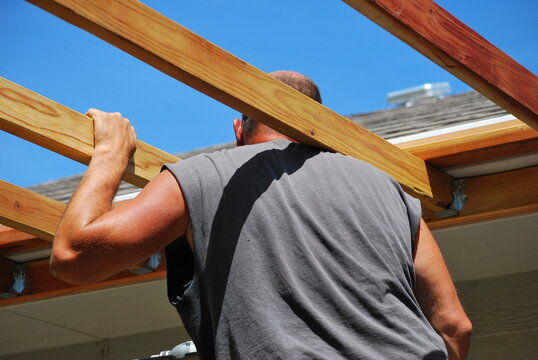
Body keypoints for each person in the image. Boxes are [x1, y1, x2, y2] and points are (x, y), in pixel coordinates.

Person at [51, 71, 472, 359]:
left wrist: (109, 155)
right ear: (319, 127)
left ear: (239, 130)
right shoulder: (389, 191)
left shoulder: (204, 175)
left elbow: (74, 258)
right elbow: (454, 325)